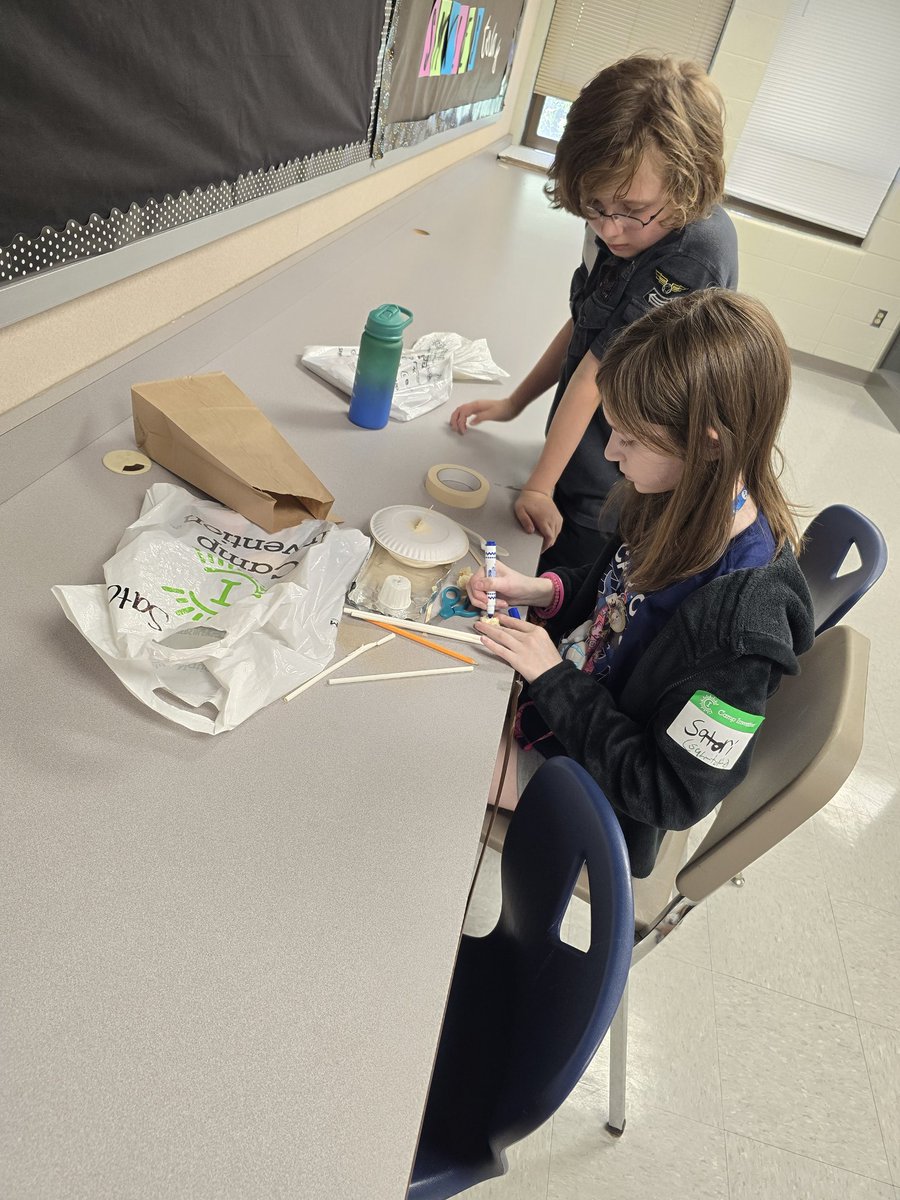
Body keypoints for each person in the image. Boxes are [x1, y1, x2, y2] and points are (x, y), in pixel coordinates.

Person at [466, 291, 815, 879]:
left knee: (425, 765)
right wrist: (543, 591)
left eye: (630, 437)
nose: (609, 450)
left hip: (606, 801)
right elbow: (615, 592)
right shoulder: (676, 493)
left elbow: (669, 794)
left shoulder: (742, 630)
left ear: (706, 442)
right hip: (566, 706)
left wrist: (552, 677)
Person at [450, 54, 738, 571]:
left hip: (622, 482)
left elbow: (598, 374)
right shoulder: (622, 221)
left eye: (630, 210)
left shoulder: (692, 256)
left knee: (571, 580)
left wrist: (539, 484)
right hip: (580, 455)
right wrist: (515, 403)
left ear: (687, 182)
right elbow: (587, 325)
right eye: (595, 208)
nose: (609, 229)